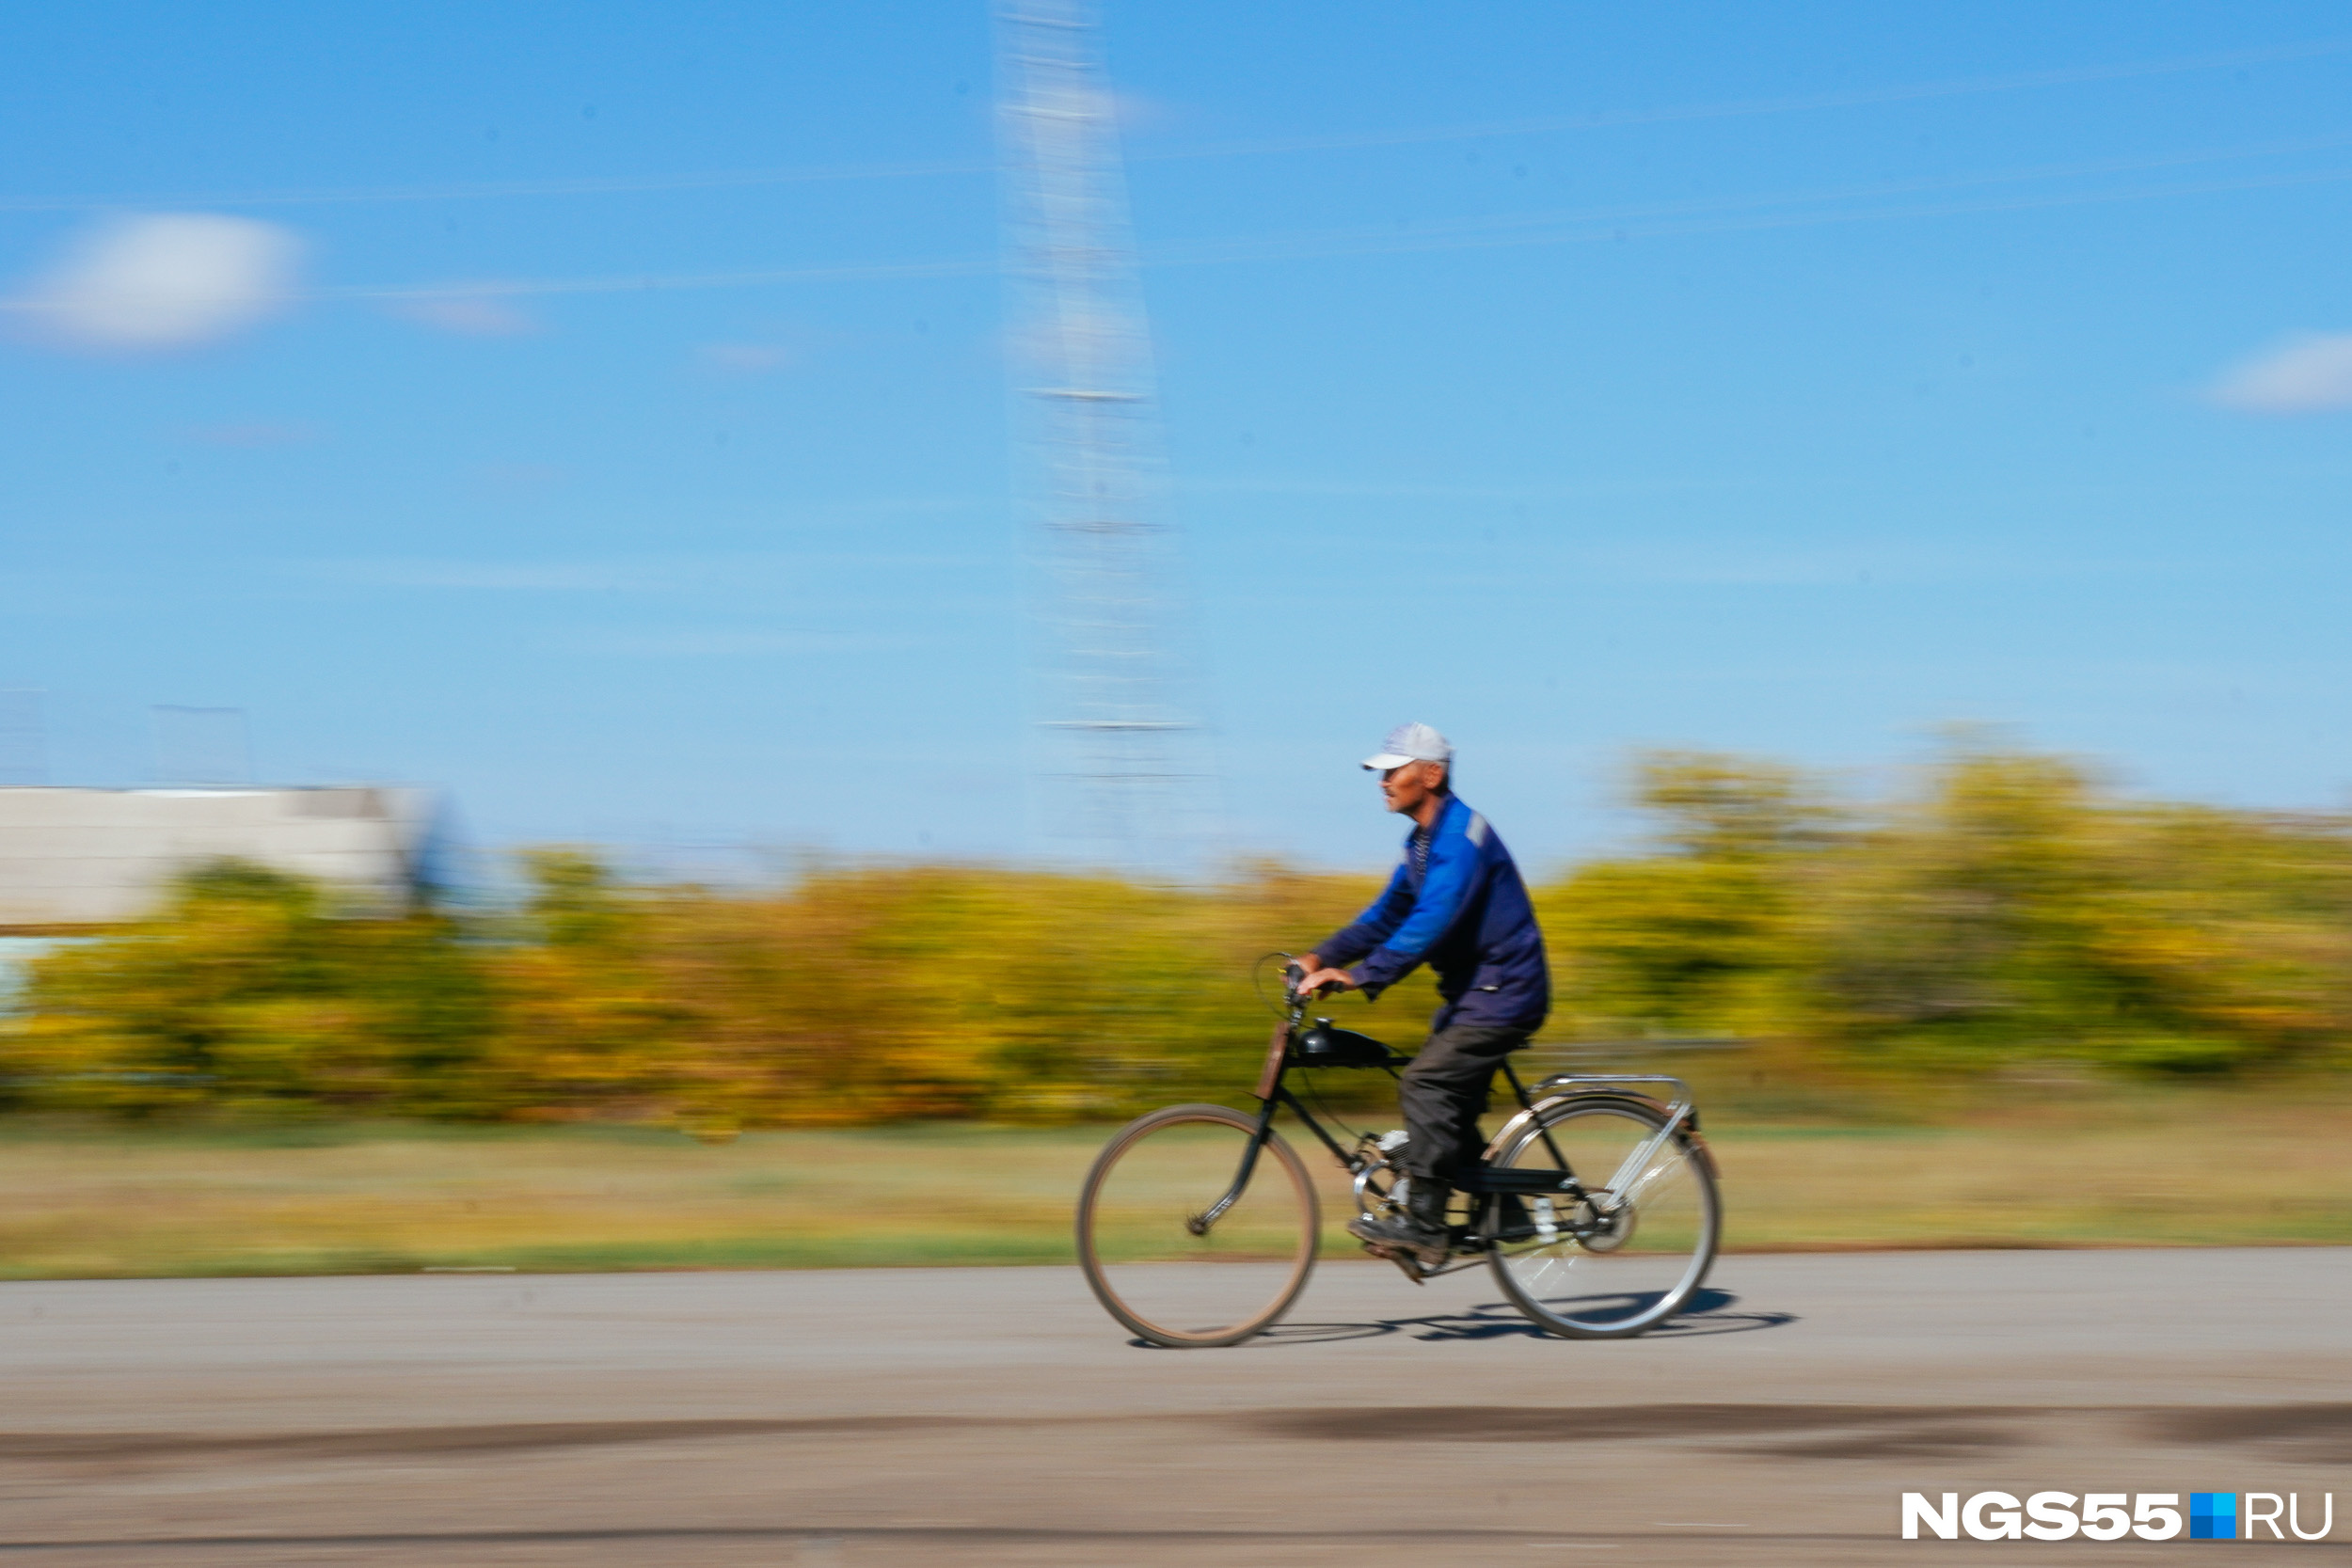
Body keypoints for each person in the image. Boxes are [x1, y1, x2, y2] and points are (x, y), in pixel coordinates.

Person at [1294, 722, 1549, 1263]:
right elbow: (1385, 916)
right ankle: (1507, 1214)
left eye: (1393, 770)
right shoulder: (1423, 843)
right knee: (1445, 1109)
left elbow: (1431, 919)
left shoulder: (1461, 837)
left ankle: (1427, 1227)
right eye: (1381, 772)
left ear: (1430, 774)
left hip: (1506, 992)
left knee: (1426, 1084)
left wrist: (1362, 975)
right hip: (1476, 995)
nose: (1383, 781)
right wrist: (1320, 957)